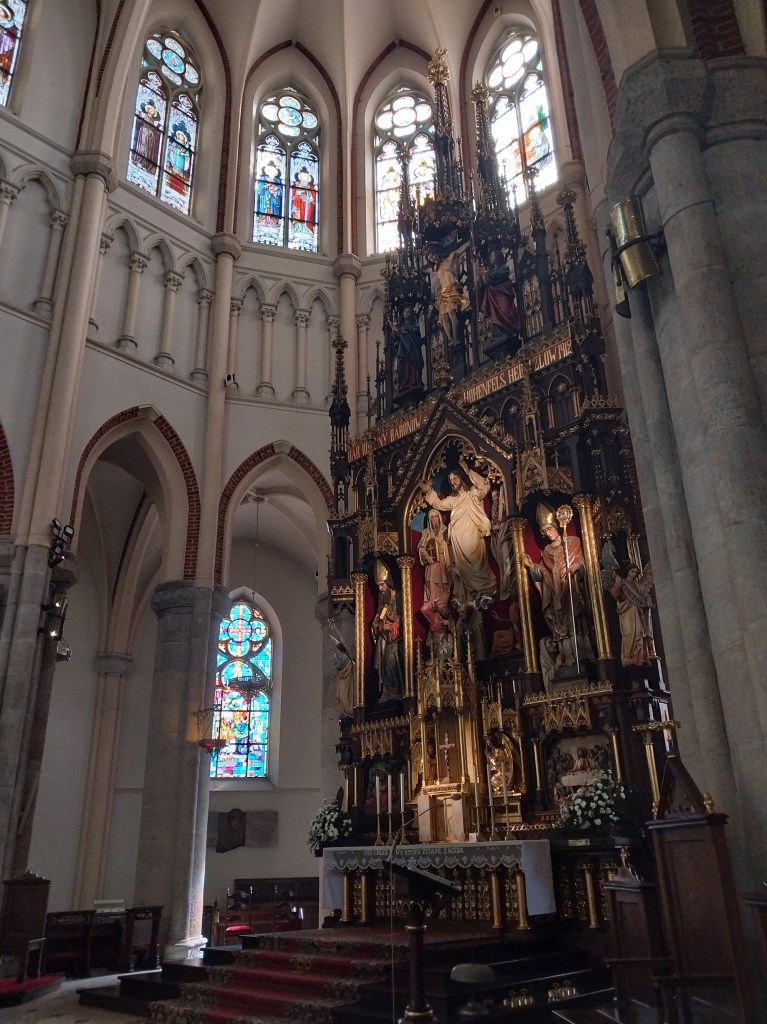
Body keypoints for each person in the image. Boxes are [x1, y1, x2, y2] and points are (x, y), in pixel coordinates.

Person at [523, 503, 594, 677]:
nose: (548, 533)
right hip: (555, 593)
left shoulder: (573, 542)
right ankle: (567, 658)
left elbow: (584, 562)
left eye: (549, 528)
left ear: (556, 526)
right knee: (560, 627)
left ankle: (581, 657)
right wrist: (532, 567)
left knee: (575, 622)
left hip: (571, 589)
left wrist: (577, 566)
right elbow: (543, 573)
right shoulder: (546, 551)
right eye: (544, 531)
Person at [419, 458, 496, 605]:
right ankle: (468, 596)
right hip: (457, 538)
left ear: (461, 478)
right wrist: (429, 490)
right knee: (461, 567)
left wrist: (468, 470)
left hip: (471, 534)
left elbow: (485, 486)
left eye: (455, 478)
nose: (452, 482)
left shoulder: (472, 493)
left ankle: (483, 590)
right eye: (450, 480)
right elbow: (438, 504)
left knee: (474, 561)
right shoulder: (452, 499)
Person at [606, 563, 656, 666]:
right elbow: (615, 594)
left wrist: (648, 601)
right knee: (629, 633)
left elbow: (645, 594)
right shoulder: (623, 582)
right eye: (632, 571)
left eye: (635, 572)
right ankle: (628, 657)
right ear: (628, 572)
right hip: (626, 611)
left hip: (637, 612)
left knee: (639, 633)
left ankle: (640, 658)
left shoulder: (637, 584)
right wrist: (617, 582)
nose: (633, 574)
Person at [427, 242, 470, 348]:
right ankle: (450, 339)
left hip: (452, 288)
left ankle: (455, 339)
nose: (431, 259)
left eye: (431, 255)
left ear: (437, 252)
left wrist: (469, 242)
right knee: (444, 317)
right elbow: (425, 270)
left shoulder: (449, 259)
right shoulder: (436, 268)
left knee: (452, 314)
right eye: (429, 258)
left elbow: (459, 251)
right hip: (444, 293)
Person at [371, 561, 404, 701]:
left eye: (382, 585)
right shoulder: (382, 599)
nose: (380, 589)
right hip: (383, 638)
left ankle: (396, 691)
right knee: (384, 665)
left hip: (395, 639)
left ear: (388, 583)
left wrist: (393, 626)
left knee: (392, 663)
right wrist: (376, 624)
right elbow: (380, 616)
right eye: (378, 585)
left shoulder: (397, 596)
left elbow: (402, 618)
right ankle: (387, 691)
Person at [476, 246, 521, 344]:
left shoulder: (504, 268)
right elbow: (484, 286)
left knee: (504, 310)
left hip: (502, 295)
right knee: (494, 317)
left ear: (498, 256)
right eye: (490, 256)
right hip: (493, 298)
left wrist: (485, 274)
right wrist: (479, 278)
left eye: (492, 255)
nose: (490, 258)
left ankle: (509, 330)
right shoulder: (491, 272)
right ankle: (497, 333)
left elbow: (494, 278)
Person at [417, 508, 452, 633]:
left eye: (435, 516)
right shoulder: (426, 532)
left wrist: (441, 544)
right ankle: (435, 621)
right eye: (431, 517)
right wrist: (428, 557)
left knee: (444, 591)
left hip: (443, 563)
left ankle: (442, 620)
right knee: (432, 592)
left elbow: (451, 544)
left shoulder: (445, 530)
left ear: (439, 518)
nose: (433, 519)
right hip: (432, 565)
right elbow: (421, 548)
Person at [490, 482, 515, 600]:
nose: (495, 499)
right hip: (499, 536)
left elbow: (506, 517)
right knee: (501, 562)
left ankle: (508, 585)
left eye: (496, 496)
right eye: (493, 497)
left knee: (506, 560)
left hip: (506, 533)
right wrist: (494, 527)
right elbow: (495, 521)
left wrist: (504, 504)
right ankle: (505, 587)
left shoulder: (506, 505)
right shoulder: (494, 508)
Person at [394, 304, 425, 392]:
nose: (406, 313)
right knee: (404, 368)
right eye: (404, 311)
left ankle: (414, 382)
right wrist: (395, 332)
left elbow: (415, 339)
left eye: (408, 311)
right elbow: (395, 340)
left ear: (411, 313)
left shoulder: (415, 326)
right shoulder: (402, 327)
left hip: (413, 351)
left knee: (412, 367)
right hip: (404, 353)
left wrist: (399, 331)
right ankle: (404, 383)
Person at [132, 96, 162, 173]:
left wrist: (158, 127)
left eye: (153, 111)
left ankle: (145, 164)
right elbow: (138, 119)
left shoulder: (154, 122)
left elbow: (158, 130)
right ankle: (139, 161)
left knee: (148, 151)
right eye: (150, 110)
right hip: (144, 132)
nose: (151, 111)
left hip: (151, 136)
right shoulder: (144, 115)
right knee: (142, 148)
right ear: (148, 110)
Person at [484, 728, 515, 796]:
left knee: (494, 780)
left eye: (489, 742)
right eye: (488, 743)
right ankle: (499, 790)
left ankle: (501, 789)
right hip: (499, 771)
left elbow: (497, 763)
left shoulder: (500, 751)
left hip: (504, 772)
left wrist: (490, 756)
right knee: (493, 780)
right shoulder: (494, 750)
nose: (488, 744)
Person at [330, 634, 354, 718]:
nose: (337, 651)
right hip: (344, 679)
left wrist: (335, 658)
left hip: (345, 680)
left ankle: (348, 710)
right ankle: (346, 710)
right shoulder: (345, 656)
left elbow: (339, 665)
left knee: (344, 695)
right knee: (344, 696)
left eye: (338, 649)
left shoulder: (345, 657)